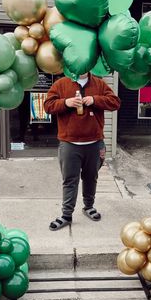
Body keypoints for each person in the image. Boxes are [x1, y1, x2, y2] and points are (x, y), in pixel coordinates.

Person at [44, 72, 121, 231]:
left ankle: (88, 207)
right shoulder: (61, 83)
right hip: (69, 143)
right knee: (70, 180)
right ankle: (66, 215)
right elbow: (48, 106)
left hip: (94, 143)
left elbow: (115, 103)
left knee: (91, 177)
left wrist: (95, 100)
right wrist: (66, 102)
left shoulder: (99, 84)